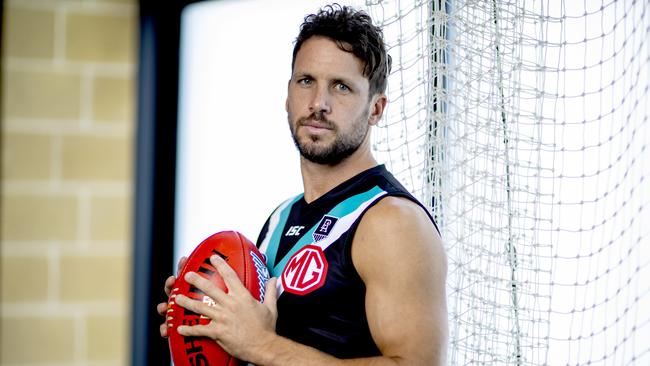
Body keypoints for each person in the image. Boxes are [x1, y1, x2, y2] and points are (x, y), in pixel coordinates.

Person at [158, 4, 448, 365]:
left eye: (341, 87)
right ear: (288, 93)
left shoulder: (392, 222)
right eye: (306, 81)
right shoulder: (282, 217)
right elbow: (261, 340)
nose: (318, 104)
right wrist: (205, 314)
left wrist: (260, 344)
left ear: (376, 109)